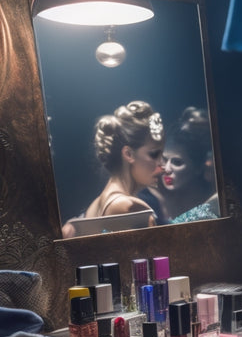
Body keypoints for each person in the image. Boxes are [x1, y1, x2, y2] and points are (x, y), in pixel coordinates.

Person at [62, 101, 165, 237]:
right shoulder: (131, 208)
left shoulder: (97, 203)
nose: (162, 164)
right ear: (128, 154)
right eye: (154, 154)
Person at [140, 106, 218, 224]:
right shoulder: (149, 197)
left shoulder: (214, 200)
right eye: (164, 159)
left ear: (197, 167)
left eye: (177, 162)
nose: (167, 169)